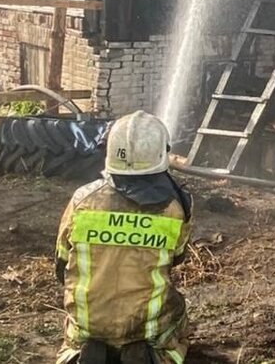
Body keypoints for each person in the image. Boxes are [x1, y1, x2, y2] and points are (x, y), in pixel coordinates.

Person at [55, 111, 193, 364]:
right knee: (179, 316)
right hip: (145, 327)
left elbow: (61, 263)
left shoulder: (82, 200)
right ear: (161, 154)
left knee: (73, 332)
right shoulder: (174, 207)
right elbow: (177, 258)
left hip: (88, 325)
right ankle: (154, 354)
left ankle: (79, 351)